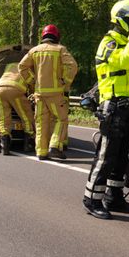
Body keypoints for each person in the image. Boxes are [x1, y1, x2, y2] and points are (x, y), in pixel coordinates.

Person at [83, 0, 129, 220]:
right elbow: (125, 61)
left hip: (128, 108)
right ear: (124, 21)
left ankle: (113, 197)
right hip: (113, 107)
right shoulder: (110, 43)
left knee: (121, 156)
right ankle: (91, 199)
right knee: (106, 156)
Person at [18, 24, 77, 161]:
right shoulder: (60, 49)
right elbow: (72, 66)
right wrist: (64, 81)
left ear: (43, 36)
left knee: (41, 123)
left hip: (39, 94)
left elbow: (22, 67)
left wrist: (33, 81)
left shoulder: (34, 51)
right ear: (56, 36)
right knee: (61, 119)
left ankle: (41, 152)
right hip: (56, 93)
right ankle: (55, 146)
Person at [0, 62, 34, 155]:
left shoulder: (10, 66)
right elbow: (32, 85)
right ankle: (29, 143)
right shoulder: (29, 68)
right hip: (15, 90)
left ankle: (5, 146)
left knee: (3, 119)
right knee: (26, 117)